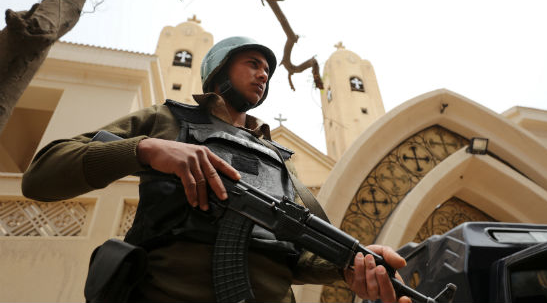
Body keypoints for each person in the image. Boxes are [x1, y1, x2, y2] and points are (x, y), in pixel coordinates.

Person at [22, 36, 410, 303]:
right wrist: (147, 149)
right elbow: (42, 174)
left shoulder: (278, 159)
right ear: (220, 69)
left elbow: (297, 254)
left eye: (268, 72)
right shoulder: (166, 119)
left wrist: (349, 267)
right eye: (253, 64)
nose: (263, 75)